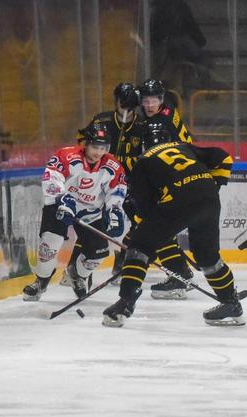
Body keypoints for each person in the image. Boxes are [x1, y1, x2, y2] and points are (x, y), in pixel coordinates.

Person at [102, 123, 240, 327]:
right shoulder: (185, 147)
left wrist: (147, 240)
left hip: (178, 201)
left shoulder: (143, 161)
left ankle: (125, 302)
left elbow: (144, 208)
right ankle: (231, 303)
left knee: (139, 246)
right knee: (207, 256)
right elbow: (224, 157)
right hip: (209, 198)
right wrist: (214, 185)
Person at [22, 123, 127, 301]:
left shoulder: (112, 166)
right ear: (86, 144)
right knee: (50, 244)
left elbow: (117, 189)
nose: (98, 152)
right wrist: (62, 198)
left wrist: (114, 210)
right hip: (61, 206)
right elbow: (52, 176)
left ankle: (77, 274)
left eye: (103, 148)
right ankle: (41, 281)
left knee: (99, 252)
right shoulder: (66, 155)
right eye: (95, 147)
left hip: (91, 211)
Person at [60, 83, 145, 288]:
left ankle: (121, 263)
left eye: (129, 107)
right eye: (122, 104)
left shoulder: (142, 127)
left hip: (129, 184)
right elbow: (82, 145)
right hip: (98, 183)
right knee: (91, 223)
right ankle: (74, 267)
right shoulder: (102, 121)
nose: (125, 110)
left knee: (128, 224)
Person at [138, 78, 196, 299]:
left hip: (173, 181)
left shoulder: (160, 123)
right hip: (176, 179)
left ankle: (180, 274)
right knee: (159, 230)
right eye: (146, 100)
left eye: (154, 99)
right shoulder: (166, 114)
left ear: (161, 100)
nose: (150, 104)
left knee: (158, 229)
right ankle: (180, 271)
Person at [151, 0, 207, 96]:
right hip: (174, 47)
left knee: (176, 57)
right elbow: (192, 27)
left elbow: (154, 33)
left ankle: (171, 84)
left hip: (168, 47)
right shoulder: (180, 7)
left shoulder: (158, 9)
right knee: (179, 57)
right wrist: (200, 41)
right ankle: (177, 85)